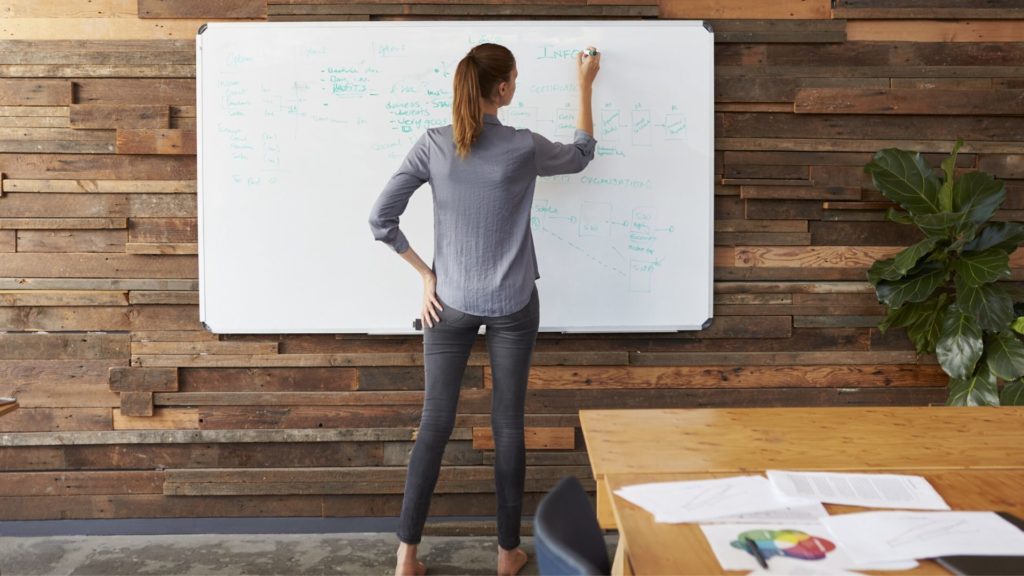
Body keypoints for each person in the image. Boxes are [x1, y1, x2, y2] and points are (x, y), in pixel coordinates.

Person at [369, 42, 601, 576]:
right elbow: (583, 153)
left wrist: (428, 276)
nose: (515, 86)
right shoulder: (523, 148)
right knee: (508, 426)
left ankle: (406, 557)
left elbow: (381, 219)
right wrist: (585, 84)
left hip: (446, 304)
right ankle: (506, 554)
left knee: (434, 424)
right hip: (514, 303)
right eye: (514, 79)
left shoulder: (433, 144)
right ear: (501, 90)